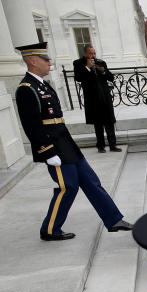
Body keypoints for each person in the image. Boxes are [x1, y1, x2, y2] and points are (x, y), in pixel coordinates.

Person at [14, 42, 132, 241]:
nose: (49, 62)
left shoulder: (42, 84)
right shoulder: (27, 89)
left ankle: (113, 219)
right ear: (32, 61)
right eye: (45, 59)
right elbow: (32, 126)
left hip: (66, 143)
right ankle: (50, 229)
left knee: (91, 182)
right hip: (54, 147)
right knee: (67, 187)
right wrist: (47, 151)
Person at [73, 45, 119, 153]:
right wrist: (88, 68)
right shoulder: (78, 63)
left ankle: (113, 145)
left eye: (94, 53)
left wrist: (103, 71)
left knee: (109, 122)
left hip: (105, 97)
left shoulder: (100, 62)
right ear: (85, 54)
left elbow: (110, 77)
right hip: (92, 98)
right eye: (90, 53)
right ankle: (100, 146)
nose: (93, 56)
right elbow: (78, 78)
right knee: (98, 124)